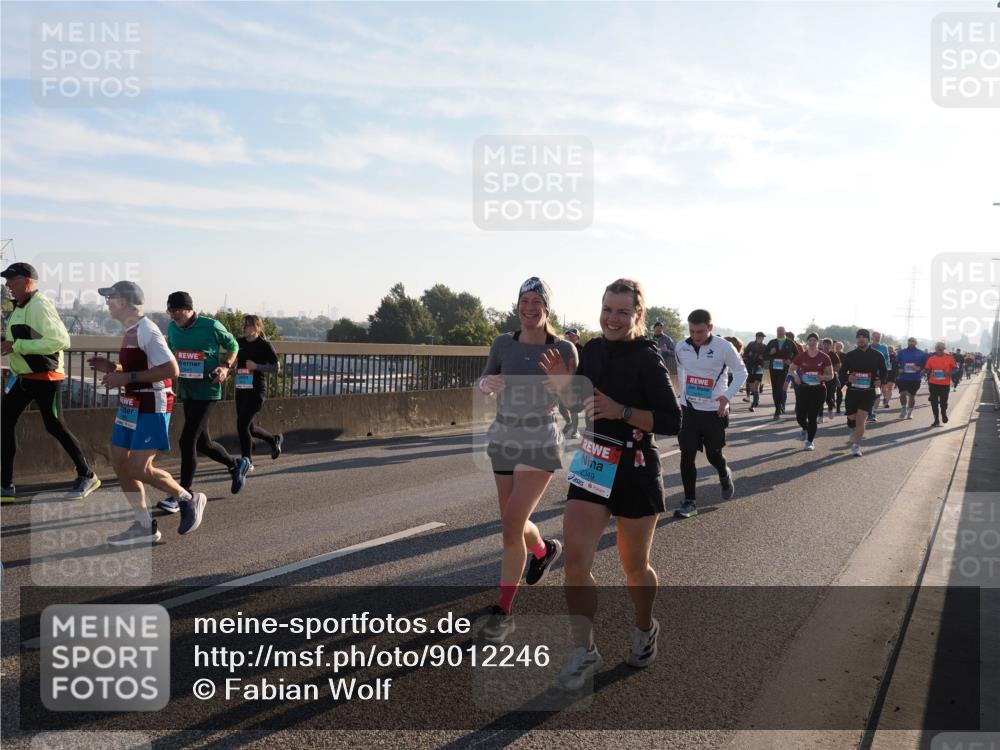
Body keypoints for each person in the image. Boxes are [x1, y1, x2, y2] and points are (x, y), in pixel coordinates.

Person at [538, 278, 680, 688]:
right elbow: (580, 405)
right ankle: (584, 653)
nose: (612, 318)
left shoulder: (647, 359)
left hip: (635, 467)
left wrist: (623, 410)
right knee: (576, 563)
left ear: (638, 315)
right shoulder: (591, 352)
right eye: (607, 309)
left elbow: (672, 422)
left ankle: (644, 628)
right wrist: (566, 390)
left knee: (634, 566)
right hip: (594, 461)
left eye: (622, 311)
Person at [477, 277, 577, 643]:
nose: (530, 307)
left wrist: (564, 383)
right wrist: (488, 386)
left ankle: (504, 610)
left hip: (539, 441)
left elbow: (574, 403)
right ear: (517, 305)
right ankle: (543, 549)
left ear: (546, 307)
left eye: (537, 300)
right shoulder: (504, 342)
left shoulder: (563, 348)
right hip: (504, 436)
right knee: (512, 522)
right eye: (524, 300)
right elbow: (485, 380)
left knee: (510, 525)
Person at [89, 281, 208, 544]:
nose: (107, 303)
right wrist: (112, 367)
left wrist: (127, 376)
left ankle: (188, 498)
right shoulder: (130, 330)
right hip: (131, 403)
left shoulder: (147, 330)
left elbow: (170, 370)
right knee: (120, 462)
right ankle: (144, 526)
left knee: (138, 467)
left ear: (125, 302)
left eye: (111, 298)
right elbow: (140, 366)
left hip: (152, 403)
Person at [2, 262, 100, 504]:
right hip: (25, 378)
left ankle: (87, 474)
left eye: (11, 280)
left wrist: (16, 346)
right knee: (4, 422)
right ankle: (5, 485)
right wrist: (9, 344)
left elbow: (60, 340)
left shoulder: (40, 305)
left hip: (46, 378)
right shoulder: (20, 308)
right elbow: (17, 339)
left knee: (54, 425)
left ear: (26, 281)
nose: (7, 285)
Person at [159, 291, 248, 514]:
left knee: (187, 440)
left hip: (208, 390)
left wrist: (226, 366)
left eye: (176, 310)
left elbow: (234, 345)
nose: (173, 315)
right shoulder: (172, 328)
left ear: (189, 308)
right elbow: (171, 354)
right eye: (170, 310)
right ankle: (235, 464)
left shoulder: (211, 325)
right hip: (187, 390)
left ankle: (183, 493)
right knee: (203, 443)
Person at [672, 309, 747, 518]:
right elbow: (681, 371)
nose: (695, 337)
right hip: (689, 410)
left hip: (715, 411)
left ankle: (724, 473)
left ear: (710, 328)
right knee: (686, 455)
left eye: (700, 332)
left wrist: (726, 397)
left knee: (714, 455)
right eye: (692, 331)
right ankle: (690, 502)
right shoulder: (681, 347)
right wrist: (681, 398)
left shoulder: (724, 347)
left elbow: (742, 372)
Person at [235, 314, 283, 468]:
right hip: (241, 388)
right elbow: (233, 360)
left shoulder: (264, 345)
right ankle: (273, 440)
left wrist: (257, 367)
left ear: (257, 327)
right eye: (243, 325)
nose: (244, 328)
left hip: (256, 390)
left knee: (242, 426)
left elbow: (276, 367)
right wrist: (233, 363)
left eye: (248, 325)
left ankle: (246, 461)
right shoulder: (239, 342)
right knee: (249, 428)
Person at [839, 329, 887, 457]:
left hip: (868, 392)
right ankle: (852, 429)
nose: (861, 339)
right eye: (859, 337)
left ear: (868, 339)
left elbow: (884, 371)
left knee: (861, 419)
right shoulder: (850, 355)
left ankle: (856, 446)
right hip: (853, 391)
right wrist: (848, 377)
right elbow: (842, 373)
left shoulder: (877, 355)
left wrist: (880, 380)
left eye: (864, 337)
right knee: (852, 419)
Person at [791, 333, 834, 450]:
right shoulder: (802, 356)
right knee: (800, 416)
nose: (812, 342)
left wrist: (823, 377)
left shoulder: (824, 357)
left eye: (814, 340)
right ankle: (805, 428)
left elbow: (831, 375)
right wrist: (796, 377)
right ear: (807, 342)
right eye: (810, 340)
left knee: (812, 416)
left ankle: (809, 442)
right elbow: (791, 369)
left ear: (818, 342)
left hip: (818, 390)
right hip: (804, 389)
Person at [764, 327, 798, 419]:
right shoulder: (772, 342)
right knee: (775, 390)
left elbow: (797, 355)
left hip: (784, 370)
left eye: (781, 331)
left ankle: (778, 410)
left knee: (780, 388)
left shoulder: (790, 343)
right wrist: (770, 353)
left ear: (785, 332)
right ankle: (777, 407)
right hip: (773, 369)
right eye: (778, 331)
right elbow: (764, 355)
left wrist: (790, 361)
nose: (779, 333)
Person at [557, 328, 584, 439]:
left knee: (573, 408)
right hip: (563, 382)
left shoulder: (582, 350)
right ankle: (568, 422)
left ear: (578, 338)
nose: (569, 337)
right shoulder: (563, 349)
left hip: (576, 383)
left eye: (572, 335)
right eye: (568, 335)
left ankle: (575, 430)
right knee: (561, 407)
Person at [924, 342, 958, 427]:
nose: (939, 349)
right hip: (933, 383)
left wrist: (949, 373)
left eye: (941, 348)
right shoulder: (931, 358)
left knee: (943, 402)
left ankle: (943, 413)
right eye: (938, 347)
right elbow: (927, 369)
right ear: (935, 349)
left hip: (944, 384)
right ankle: (936, 420)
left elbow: (955, 369)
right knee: (934, 402)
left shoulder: (949, 358)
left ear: (944, 349)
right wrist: (924, 371)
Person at [895, 337, 927, 420]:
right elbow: (896, 363)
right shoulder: (901, 352)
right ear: (907, 342)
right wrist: (898, 369)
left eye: (913, 341)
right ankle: (903, 409)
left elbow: (925, 365)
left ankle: (910, 412)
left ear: (916, 343)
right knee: (902, 394)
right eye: (910, 341)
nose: (911, 343)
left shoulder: (921, 353)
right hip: (903, 377)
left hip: (915, 378)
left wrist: (920, 369)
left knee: (912, 396)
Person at [742, 332, 767, 412]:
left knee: (756, 385)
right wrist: (746, 358)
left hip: (759, 367)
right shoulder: (751, 344)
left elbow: (766, 357)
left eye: (763, 337)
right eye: (761, 337)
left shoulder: (764, 346)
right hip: (750, 367)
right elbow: (745, 354)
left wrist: (762, 358)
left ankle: (753, 405)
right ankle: (756, 400)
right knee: (752, 386)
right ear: (757, 337)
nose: (762, 338)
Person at [869, 331, 891, 421]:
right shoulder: (868, 346)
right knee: (869, 394)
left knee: (877, 394)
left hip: (879, 374)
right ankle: (868, 411)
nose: (877, 338)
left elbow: (887, 359)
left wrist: (887, 369)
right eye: (875, 336)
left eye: (879, 336)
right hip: (868, 374)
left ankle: (873, 413)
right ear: (872, 338)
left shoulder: (884, 347)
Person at [820, 338, 841, 422]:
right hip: (820, 378)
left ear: (831, 346)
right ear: (822, 345)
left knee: (828, 396)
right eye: (825, 344)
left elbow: (838, 366)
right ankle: (820, 416)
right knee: (820, 397)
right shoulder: (819, 354)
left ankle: (830, 408)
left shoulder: (833, 355)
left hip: (831, 379)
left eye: (828, 344)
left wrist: (829, 370)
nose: (826, 346)